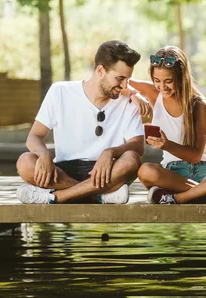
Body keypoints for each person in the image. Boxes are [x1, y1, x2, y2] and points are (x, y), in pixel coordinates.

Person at [15, 40, 145, 204]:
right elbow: (34, 135)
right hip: (63, 171)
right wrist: (44, 154)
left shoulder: (129, 101)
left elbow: (138, 147)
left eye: (128, 79)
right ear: (100, 70)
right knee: (25, 162)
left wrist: (109, 152)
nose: (125, 85)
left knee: (131, 160)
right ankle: (97, 196)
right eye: (120, 78)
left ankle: (57, 197)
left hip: (105, 172)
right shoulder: (60, 92)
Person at [128, 45, 206, 204]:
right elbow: (120, 80)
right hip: (174, 173)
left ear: (182, 77)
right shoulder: (155, 93)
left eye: (168, 81)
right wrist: (135, 95)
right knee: (145, 170)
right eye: (157, 81)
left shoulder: (199, 104)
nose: (162, 87)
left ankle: (178, 198)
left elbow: (196, 156)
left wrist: (167, 145)